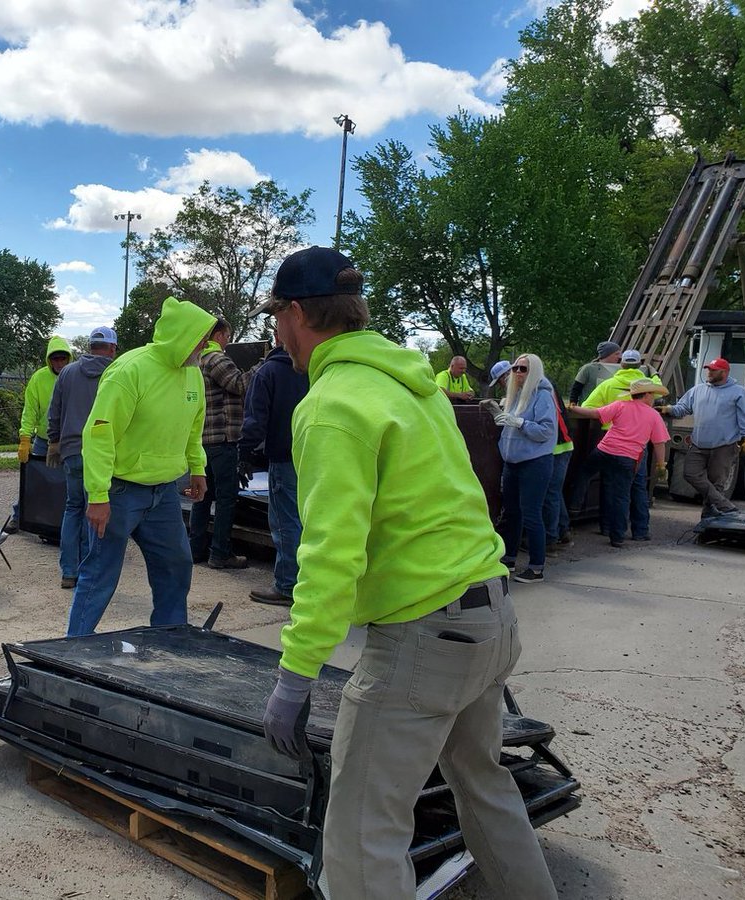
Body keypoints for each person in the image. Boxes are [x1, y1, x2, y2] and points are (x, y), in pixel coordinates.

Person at [255, 246, 557, 900]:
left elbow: (332, 555)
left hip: (423, 641)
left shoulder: (333, 403)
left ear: (298, 313)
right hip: (488, 617)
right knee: (485, 787)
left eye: (277, 316)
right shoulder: (412, 386)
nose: (277, 333)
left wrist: (295, 673)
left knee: (364, 836)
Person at [65, 297, 216, 637]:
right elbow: (100, 435)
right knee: (100, 574)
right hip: (119, 493)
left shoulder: (193, 375)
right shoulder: (129, 370)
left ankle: (170, 636)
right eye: (200, 339)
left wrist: (198, 468)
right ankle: (71, 648)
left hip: (163, 494)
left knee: (176, 565)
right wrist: (98, 495)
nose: (204, 346)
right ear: (181, 335)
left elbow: (194, 428)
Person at [237, 321, 309, 606]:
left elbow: (255, 419)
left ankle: (288, 585)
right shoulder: (317, 370)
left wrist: (243, 453)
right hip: (315, 456)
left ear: (276, 338)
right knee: (310, 520)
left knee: (285, 522)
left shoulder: (269, 372)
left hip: (283, 456)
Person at [46, 327, 118, 589]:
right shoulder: (115, 373)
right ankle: (90, 572)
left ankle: (69, 572)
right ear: (112, 348)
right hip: (101, 454)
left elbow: (55, 410)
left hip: (72, 451)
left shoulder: (67, 372)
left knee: (73, 508)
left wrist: (55, 441)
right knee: (96, 511)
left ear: (89, 347)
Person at [189, 318, 258, 570]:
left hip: (203, 440)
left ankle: (195, 549)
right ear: (218, 335)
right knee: (227, 498)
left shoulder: (197, 361)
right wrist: (262, 364)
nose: (228, 342)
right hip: (223, 440)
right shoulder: (217, 359)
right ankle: (220, 553)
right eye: (227, 336)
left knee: (202, 497)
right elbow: (240, 385)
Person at [569, 381, 671, 547]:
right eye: (652, 394)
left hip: (605, 450)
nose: (653, 398)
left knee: (585, 472)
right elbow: (659, 443)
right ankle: (617, 537)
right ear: (646, 395)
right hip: (628, 458)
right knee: (621, 497)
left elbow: (595, 414)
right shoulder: (653, 415)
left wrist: (573, 408)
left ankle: (574, 505)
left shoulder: (621, 405)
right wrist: (661, 465)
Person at [582, 349, 663, 540]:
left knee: (611, 488)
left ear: (622, 364)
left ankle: (608, 528)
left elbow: (589, 407)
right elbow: (658, 389)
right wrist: (655, 373)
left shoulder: (609, 385)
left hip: (611, 443)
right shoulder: (649, 392)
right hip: (636, 449)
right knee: (637, 489)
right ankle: (640, 531)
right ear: (640, 365)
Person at [660, 357, 745, 517]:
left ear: (724, 372)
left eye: (713, 370)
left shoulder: (739, 392)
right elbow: (683, 407)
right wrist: (669, 409)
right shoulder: (698, 390)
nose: (709, 373)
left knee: (716, 483)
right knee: (689, 473)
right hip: (699, 444)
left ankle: (708, 519)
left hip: (724, 446)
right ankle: (723, 505)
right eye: (708, 369)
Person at [493, 354, 557, 583]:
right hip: (513, 462)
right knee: (512, 513)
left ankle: (537, 567)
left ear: (534, 372)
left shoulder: (542, 396)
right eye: (515, 368)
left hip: (535, 462)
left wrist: (519, 423)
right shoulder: (517, 395)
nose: (517, 372)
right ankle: (509, 557)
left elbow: (546, 431)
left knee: (531, 513)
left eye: (523, 369)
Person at [8, 336, 72, 533]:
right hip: (44, 440)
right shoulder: (39, 378)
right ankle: (18, 517)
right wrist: (25, 438)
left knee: (73, 483)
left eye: (63, 358)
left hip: (71, 440)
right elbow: (30, 410)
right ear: (49, 360)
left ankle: (69, 523)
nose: (59, 362)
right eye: (55, 358)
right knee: (36, 480)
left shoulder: (75, 375)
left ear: (69, 358)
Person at [544, 391, 575, 550]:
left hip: (555, 448)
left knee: (551, 493)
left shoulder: (539, 389)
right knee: (554, 492)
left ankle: (551, 540)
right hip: (563, 445)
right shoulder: (548, 387)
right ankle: (563, 532)